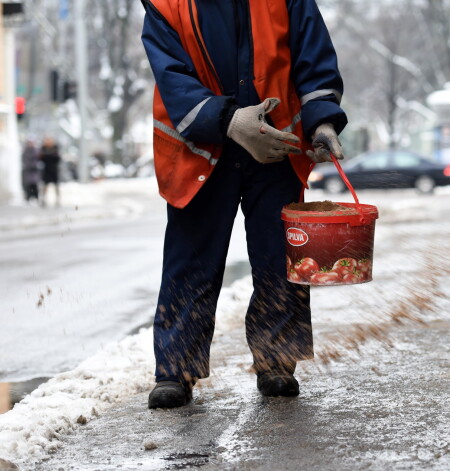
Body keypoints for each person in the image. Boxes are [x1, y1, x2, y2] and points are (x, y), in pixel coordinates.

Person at [141, 0, 347, 408]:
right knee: (191, 259)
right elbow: (173, 78)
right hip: (202, 148)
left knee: (278, 258)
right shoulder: (167, 5)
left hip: (274, 145)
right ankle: (175, 371)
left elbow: (312, 57)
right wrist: (229, 121)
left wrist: (321, 120)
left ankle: (277, 361)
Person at [40, 137, 61, 207]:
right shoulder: (43, 148)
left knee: (56, 186)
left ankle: (58, 200)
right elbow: (41, 158)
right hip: (46, 170)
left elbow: (58, 158)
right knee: (45, 186)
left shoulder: (55, 148)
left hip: (54, 170)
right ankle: (43, 200)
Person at [21, 140, 41, 204]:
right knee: (28, 186)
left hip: (34, 171)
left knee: (35, 185)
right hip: (28, 171)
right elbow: (24, 160)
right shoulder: (25, 151)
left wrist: (34, 165)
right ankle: (28, 198)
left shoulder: (36, 151)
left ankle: (36, 197)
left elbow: (38, 159)